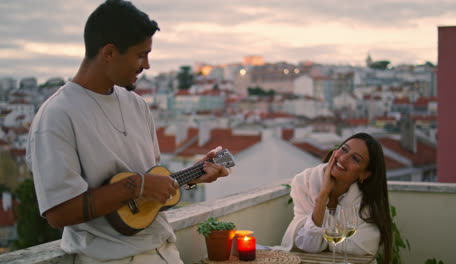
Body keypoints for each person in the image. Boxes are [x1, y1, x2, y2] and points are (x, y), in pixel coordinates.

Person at [25, 0, 229, 263]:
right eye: (140, 54)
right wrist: (139, 186)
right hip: (111, 258)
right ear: (109, 52)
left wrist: (193, 174)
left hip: (164, 250)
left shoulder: (137, 105)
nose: (147, 66)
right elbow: (58, 213)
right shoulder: (57, 115)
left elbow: (147, 193)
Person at [275, 133, 392, 264]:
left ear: (364, 174)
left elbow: (366, 245)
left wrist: (326, 237)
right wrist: (323, 194)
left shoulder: (365, 197)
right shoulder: (305, 182)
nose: (342, 159)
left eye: (355, 159)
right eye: (344, 149)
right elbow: (309, 244)